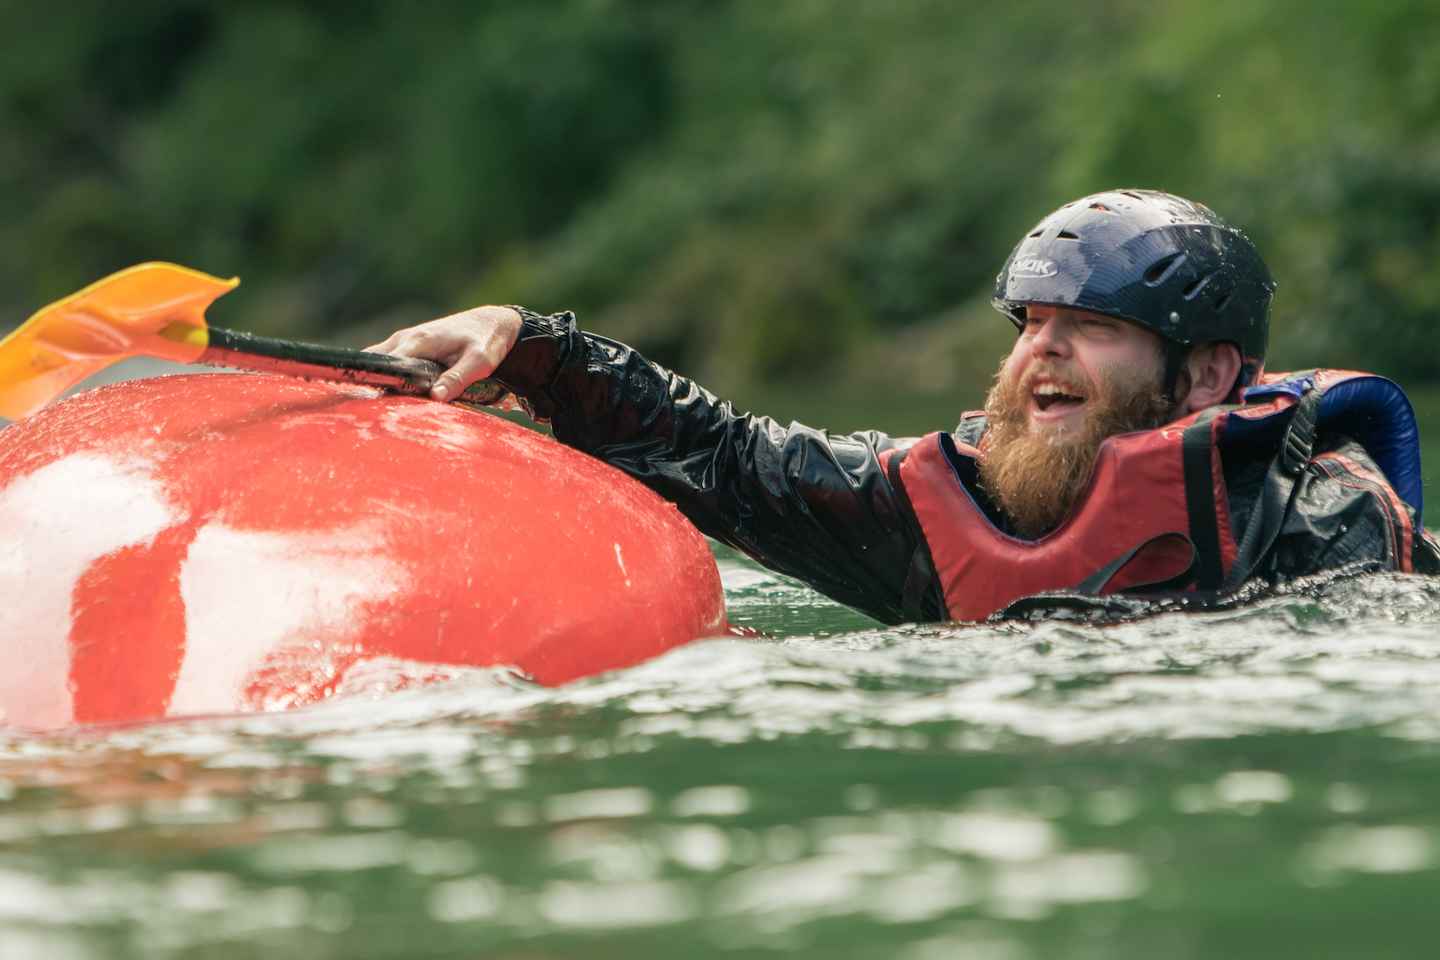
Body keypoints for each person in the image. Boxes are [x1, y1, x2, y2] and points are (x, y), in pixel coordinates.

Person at [367, 189, 1439, 623]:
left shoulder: (1323, 522)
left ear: (1206, 377)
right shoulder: (940, 507)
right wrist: (534, 348)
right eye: (1030, 322)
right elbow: (721, 455)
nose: (1042, 349)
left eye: (1091, 326)